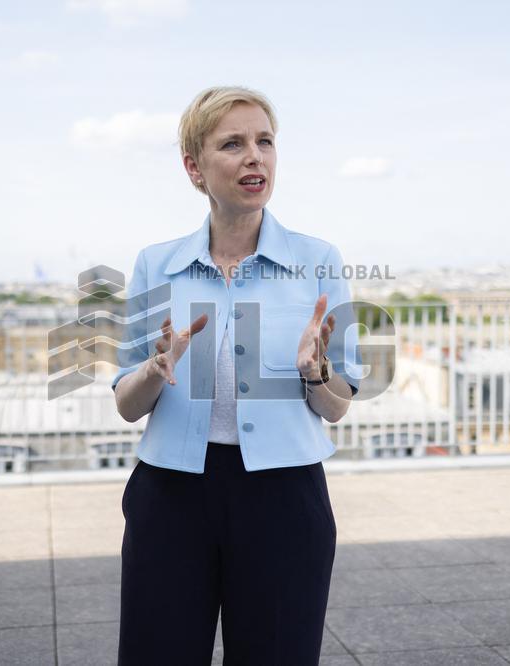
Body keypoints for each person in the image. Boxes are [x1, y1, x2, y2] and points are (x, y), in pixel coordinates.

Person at [112, 85, 361, 665]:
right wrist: (155, 367)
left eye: (265, 141)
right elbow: (126, 404)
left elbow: (338, 403)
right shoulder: (157, 263)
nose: (256, 156)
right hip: (171, 496)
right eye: (233, 144)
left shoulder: (318, 260)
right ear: (194, 168)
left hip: (284, 499)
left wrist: (315, 373)